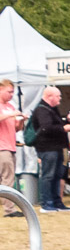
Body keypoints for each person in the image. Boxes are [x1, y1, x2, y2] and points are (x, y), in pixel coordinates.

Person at [30, 87, 70, 212]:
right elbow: (46, 128)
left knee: (58, 175)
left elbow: (53, 124)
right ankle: (46, 203)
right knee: (48, 176)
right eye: (58, 96)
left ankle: (57, 202)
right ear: (49, 96)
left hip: (56, 147)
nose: (60, 99)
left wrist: (65, 122)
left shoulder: (52, 109)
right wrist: (63, 129)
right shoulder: (42, 110)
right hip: (47, 148)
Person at [0, 79, 22, 214]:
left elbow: (15, 128)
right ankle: (9, 209)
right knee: (7, 178)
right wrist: (10, 115)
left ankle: (9, 207)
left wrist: (20, 122)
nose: (11, 95)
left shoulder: (10, 106)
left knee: (9, 177)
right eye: (9, 92)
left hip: (11, 145)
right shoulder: (6, 109)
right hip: (2, 147)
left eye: (13, 92)